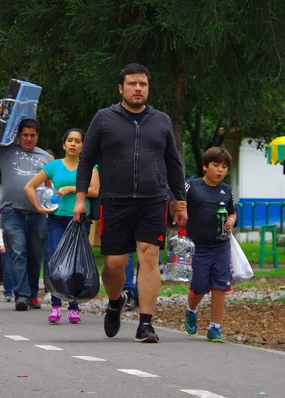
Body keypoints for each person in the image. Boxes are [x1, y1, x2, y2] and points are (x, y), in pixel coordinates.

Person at [73, 63, 188, 343]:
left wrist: (179, 201)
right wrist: (80, 199)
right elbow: (86, 160)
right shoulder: (103, 118)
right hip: (114, 200)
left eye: (143, 84)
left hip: (153, 199)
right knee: (114, 263)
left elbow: (173, 163)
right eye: (132, 84)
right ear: (120, 88)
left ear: (148, 88)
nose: (138, 88)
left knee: (149, 255)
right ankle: (115, 302)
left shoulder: (160, 120)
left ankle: (146, 324)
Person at [0, 107, 51, 311]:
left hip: (37, 213)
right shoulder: (7, 150)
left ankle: (34, 294)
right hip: (12, 212)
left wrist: (50, 206)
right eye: (24, 135)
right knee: (18, 252)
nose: (28, 139)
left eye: (32, 135)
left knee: (35, 256)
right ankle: (22, 295)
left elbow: (51, 186)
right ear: (18, 135)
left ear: (37, 136)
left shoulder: (46, 157)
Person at [25, 128, 100, 324]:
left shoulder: (90, 166)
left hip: (79, 220)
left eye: (78, 141)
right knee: (54, 260)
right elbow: (29, 187)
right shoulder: (54, 166)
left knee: (75, 263)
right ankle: (56, 305)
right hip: (56, 220)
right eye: (70, 140)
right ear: (64, 144)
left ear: (83, 145)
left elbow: (94, 190)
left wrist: (72, 189)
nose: (73, 144)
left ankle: (74, 307)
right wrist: (40, 208)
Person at [183, 147, 236, 343]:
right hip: (197, 247)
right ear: (205, 166)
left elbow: (232, 212)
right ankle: (192, 309)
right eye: (215, 165)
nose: (220, 170)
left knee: (220, 287)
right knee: (199, 287)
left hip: (221, 246)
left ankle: (215, 327)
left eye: (224, 167)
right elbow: (179, 205)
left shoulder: (227, 190)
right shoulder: (192, 186)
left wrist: (231, 220)